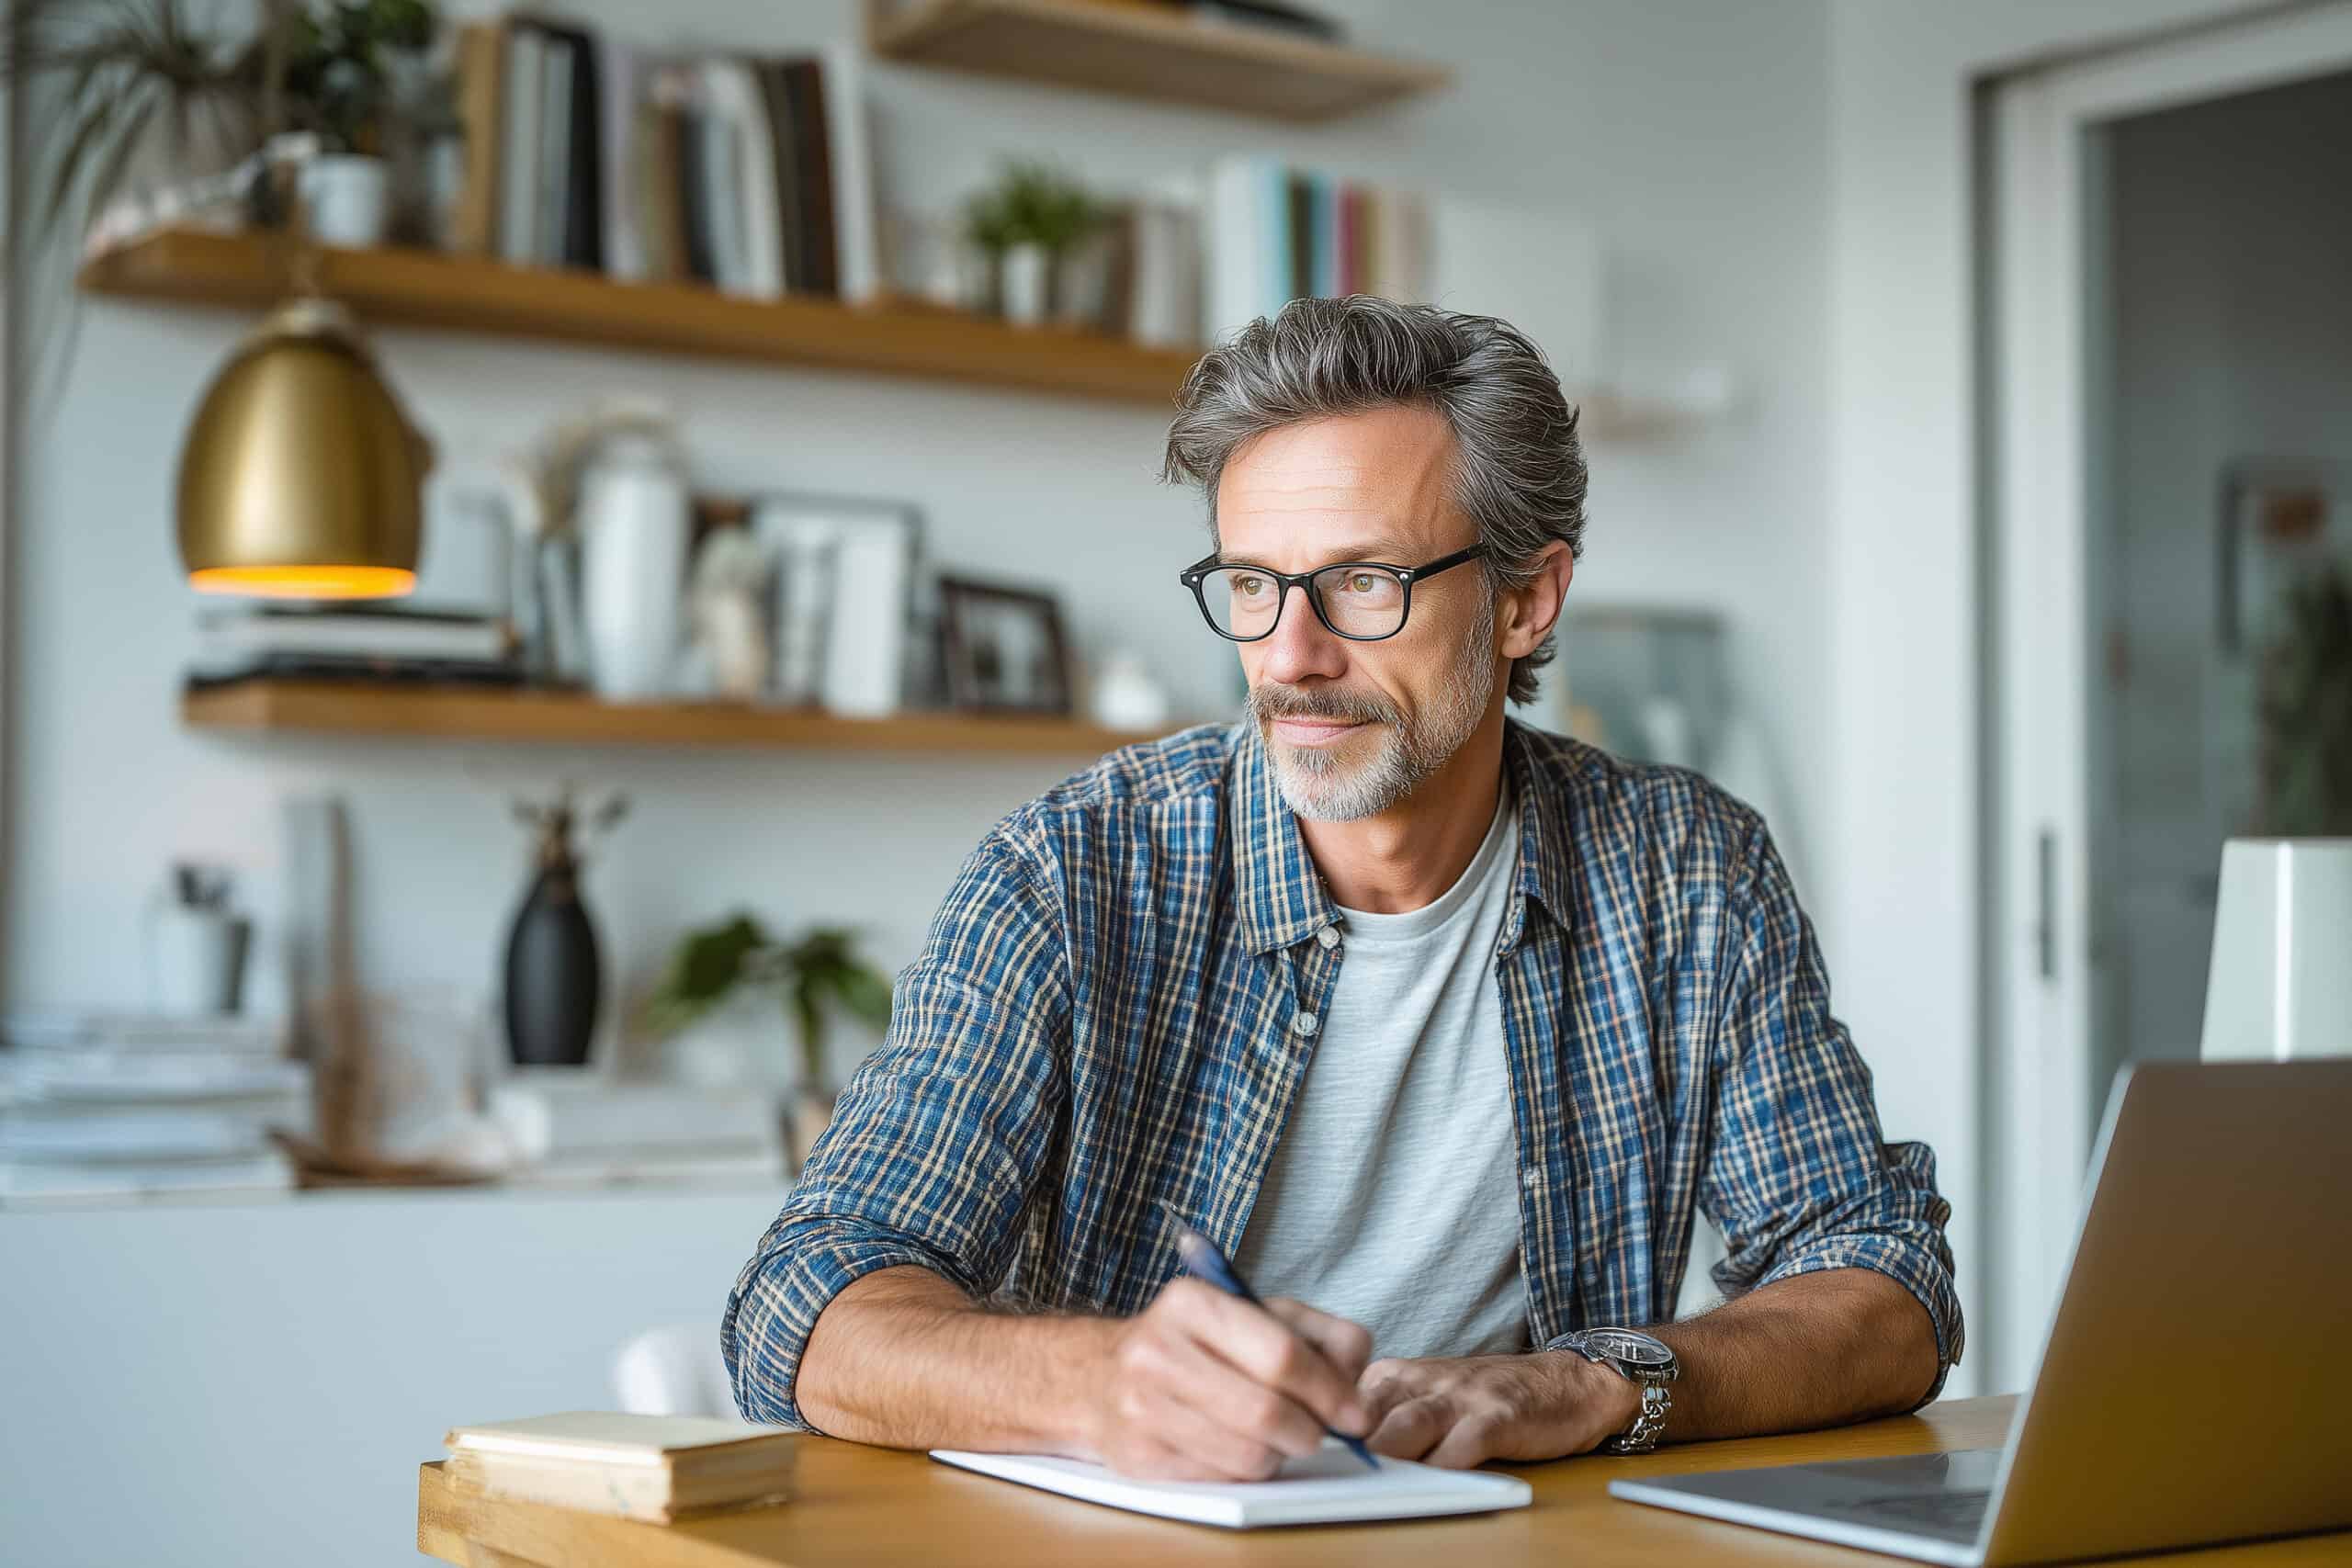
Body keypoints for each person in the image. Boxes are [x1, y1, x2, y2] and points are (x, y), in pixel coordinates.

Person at [722, 295, 1961, 1480]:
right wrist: (1099, 1385)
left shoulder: (1687, 872)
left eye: (1364, 582)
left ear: (1526, 602)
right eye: (1252, 585)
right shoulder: (1071, 873)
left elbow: (1887, 1284)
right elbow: (804, 1299)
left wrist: (1592, 1385)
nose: (1291, 656)